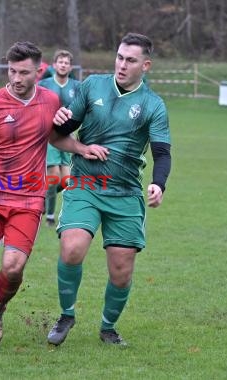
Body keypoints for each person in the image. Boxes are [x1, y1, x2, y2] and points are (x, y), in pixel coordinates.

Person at [0, 41, 106, 354]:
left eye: (23, 72)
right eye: (12, 71)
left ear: (39, 71)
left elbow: (53, 136)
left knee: (12, 267)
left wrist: (81, 148)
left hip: (28, 197)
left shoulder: (50, 101)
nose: (16, 77)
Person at [47, 32, 171, 346]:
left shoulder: (153, 105)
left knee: (121, 271)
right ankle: (66, 315)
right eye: (119, 57)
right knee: (72, 248)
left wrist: (158, 183)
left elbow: (162, 152)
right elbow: (58, 136)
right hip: (85, 184)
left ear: (146, 65)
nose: (122, 65)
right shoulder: (92, 87)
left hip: (126, 193)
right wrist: (74, 138)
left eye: (130, 60)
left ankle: (107, 327)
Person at [38, 49, 81, 227]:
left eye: (66, 63)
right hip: (49, 135)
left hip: (68, 136)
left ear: (70, 67)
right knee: (54, 175)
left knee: (66, 180)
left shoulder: (76, 86)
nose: (63, 65)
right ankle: (49, 215)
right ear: (54, 65)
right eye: (60, 62)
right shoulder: (44, 84)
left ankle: (40, 198)